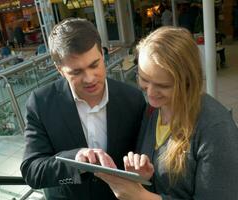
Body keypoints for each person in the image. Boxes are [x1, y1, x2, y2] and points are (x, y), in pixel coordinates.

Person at [87, 27, 238, 200]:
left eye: (163, 86)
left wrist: (142, 197)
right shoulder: (154, 110)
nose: (151, 93)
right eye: (144, 79)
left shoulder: (216, 130)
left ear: (188, 81)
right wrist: (142, 177)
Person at [20, 18, 147, 200]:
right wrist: (76, 160)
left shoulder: (133, 99)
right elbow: (32, 170)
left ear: (103, 55)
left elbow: (145, 153)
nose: (89, 78)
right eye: (76, 72)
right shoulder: (40, 103)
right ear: (60, 70)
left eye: (94, 65)